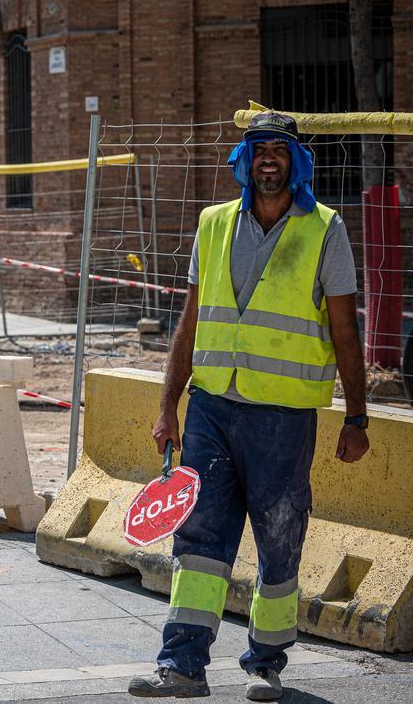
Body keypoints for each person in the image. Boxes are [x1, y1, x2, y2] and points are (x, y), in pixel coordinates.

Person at [127, 112, 370, 701]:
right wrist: (168, 407)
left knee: (279, 536)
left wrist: (357, 415)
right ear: (244, 160)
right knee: (200, 540)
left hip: (283, 418)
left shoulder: (325, 230)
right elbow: (188, 323)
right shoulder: (212, 225)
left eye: (279, 151)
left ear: (296, 163)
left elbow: (344, 330)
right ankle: (182, 665)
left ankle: (265, 664)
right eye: (258, 149)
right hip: (211, 407)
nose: (268, 159)